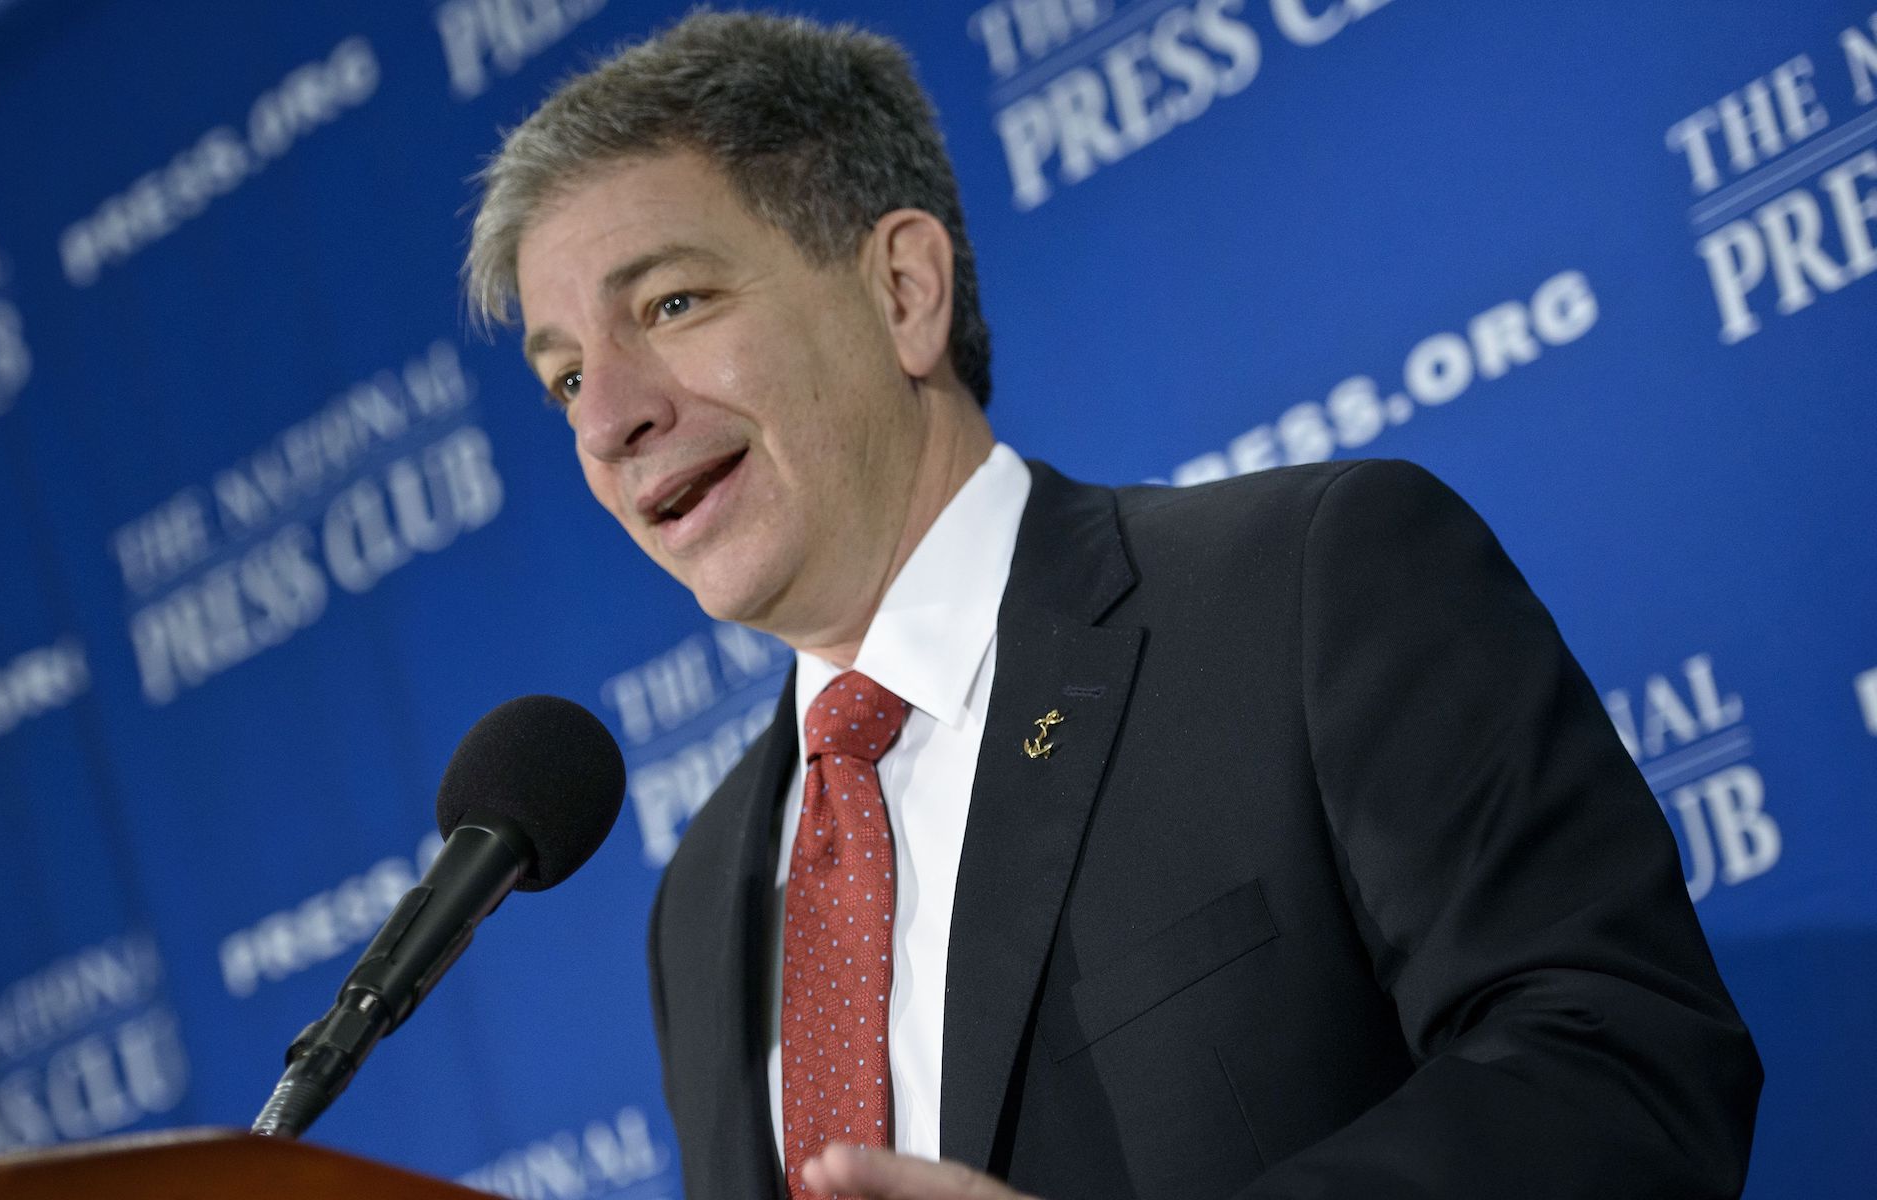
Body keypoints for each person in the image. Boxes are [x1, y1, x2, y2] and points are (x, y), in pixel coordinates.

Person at [464, 11, 1761, 1199]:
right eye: (564, 377)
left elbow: (1628, 1074)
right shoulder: (702, 897)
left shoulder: (1305, 590)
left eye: (674, 305)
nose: (613, 418)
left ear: (902, 290)